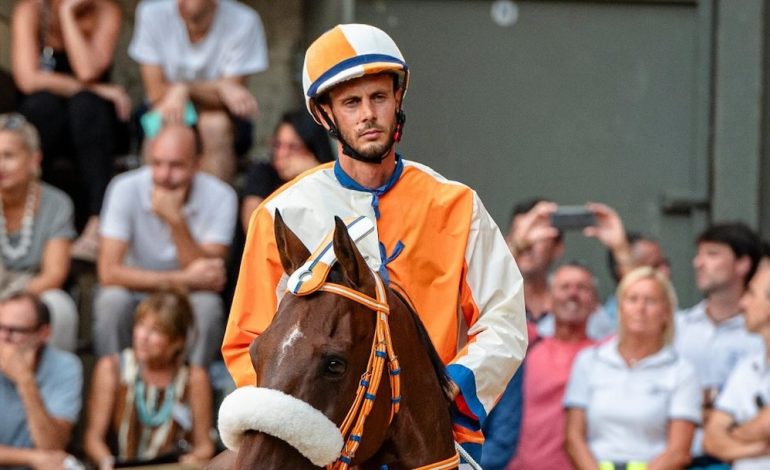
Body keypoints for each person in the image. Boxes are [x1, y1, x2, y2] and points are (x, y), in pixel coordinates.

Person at [222, 24, 527, 460]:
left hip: (425, 440)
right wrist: (296, 428)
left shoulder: (456, 204)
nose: (368, 114)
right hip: (319, 447)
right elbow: (247, 340)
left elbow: (504, 317)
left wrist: (447, 388)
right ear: (326, 115)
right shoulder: (280, 213)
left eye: (378, 98)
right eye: (351, 102)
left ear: (397, 101)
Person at [94, 124, 237, 368]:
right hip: (134, 289)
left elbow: (211, 277)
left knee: (208, 306)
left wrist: (175, 220)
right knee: (111, 301)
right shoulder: (124, 187)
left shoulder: (221, 196)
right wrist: (186, 278)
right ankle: (112, 382)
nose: (163, 175)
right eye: (157, 163)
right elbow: (108, 273)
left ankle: (193, 388)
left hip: (185, 295)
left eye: (176, 165)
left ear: (197, 164)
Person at [11, 0, 131, 261]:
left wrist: (67, 13)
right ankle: (36, 221)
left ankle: (97, 223)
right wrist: (94, 89)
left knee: (86, 106)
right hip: (49, 124)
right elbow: (28, 79)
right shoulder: (30, 10)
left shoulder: (105, 11)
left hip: (93, 125)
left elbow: (88, 70)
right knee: (43, 106)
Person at [564, 267, 701, 469]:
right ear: (620, 308)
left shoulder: (682, 371)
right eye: (632, 299)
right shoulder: (589, 360)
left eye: (651, 301)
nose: (640, 308)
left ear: (667, 312)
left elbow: (678, 452)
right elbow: (573, 438)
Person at [128, 0, 268, 183]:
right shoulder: (151, 12)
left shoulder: (244, 21)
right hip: (166, 110)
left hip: (220, 116)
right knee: (161, 120)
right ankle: (155, 204)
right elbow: (155, 92)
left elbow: (232, 99)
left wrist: (184, 89)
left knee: (215, 125)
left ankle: (215, 209)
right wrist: (218, 86)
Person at [84, 290, 214, 469]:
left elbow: (204, 446)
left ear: (177, 341)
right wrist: (106, 462)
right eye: (141, 325)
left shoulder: (194, 378)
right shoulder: (112, 368)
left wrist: (191, 461)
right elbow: (93, 439)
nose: (143, 337)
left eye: (156, 331)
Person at [674, 222, 764, 466]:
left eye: (712, 254)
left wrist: (699, 406)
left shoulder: (760, 334)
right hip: (680, 457)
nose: (698, 263)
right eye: (699, 254)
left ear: (742, 264)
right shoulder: (678, 327)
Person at [505, 263, 598, 469]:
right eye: (565, 287)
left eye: (582, 288)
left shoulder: (606, 354)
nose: (573, 294)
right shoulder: (527, 345)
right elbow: (494, 297)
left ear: (595, 302)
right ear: (549, 298)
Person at [0, 113, 78, 352]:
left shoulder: (57, 203)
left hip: (35, 292)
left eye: (8, 156)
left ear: (34, 160)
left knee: (60, 307)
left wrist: (12, 302)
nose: (0, 165)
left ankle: (53, 384)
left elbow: (54, 274)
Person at [0, 292, 83, 470]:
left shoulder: (65, 366)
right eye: (0, 328)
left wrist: (25, 381)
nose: (4, 338)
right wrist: (31, 457)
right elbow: (46, 456)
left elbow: (52, 446)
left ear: (43, 333)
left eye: (15, 331)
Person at [703, 260, 770, 467]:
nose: (742, 303)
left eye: (751, 294)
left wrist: (732, 432)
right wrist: (756, 448)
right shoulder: (747, 367)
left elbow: (765, 425)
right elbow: (711, 440)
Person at [240, 110, 334, 231]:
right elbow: (253, 227)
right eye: (277, 145)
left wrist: (312, 172)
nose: (282, 154)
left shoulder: (326, 178)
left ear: (313, 151)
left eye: (293, 147)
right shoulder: (263, 172)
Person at [604, 232, 671, 325]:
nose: (666, 272)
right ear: (623, 273)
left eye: (666, 263)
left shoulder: (678, 317)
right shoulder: (608, 325)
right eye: (654, 266)